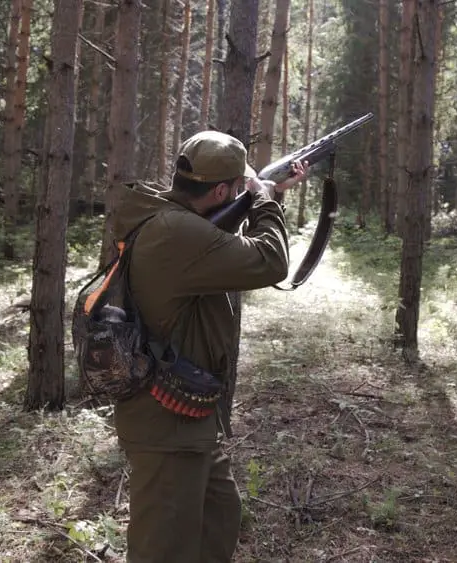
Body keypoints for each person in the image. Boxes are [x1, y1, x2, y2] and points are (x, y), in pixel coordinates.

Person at [109, 130, 309, 562]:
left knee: (218, 516)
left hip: (187, 413)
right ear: (222, 190)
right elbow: (271, 262)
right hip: (166, 423)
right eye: (236, 188)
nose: (241, 193)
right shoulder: (177, 232)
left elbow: (211, 239)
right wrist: (265, 200)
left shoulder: (171, 216)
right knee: (163, 549)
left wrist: (260, 193)